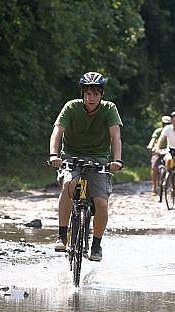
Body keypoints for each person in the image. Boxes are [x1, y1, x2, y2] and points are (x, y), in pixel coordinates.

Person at [48, 71, 123, 262]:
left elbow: (115, 136)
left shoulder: (109, 109)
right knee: (68, 186)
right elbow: (57, 131)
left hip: (98, 159)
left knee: (101, 203)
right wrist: (54, 155)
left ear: (102, 95)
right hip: (72, 156)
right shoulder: (71, 107)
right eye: (88, 93)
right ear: (82, 94)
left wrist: (117, 160)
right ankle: (62, 235)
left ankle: (96, 244)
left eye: (96, 94)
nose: (91, 98)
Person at [153, 111, 175, 203]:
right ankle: (168, 178)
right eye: (173, 121)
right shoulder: (167, 129)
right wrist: (157, 148)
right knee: (168, 161)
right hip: (170, 151)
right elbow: (161, 139)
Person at [146, 115, 171, 194]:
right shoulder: (158, 131)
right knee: (154, 167)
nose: (166, 126)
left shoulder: (172, 132)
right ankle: (154, 186)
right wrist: (151, 146)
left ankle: (173, 184)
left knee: (173, 166)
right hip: (158, 151)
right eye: (164, 124)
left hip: (169, 151)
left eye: (168, 124)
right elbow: (153, 139)